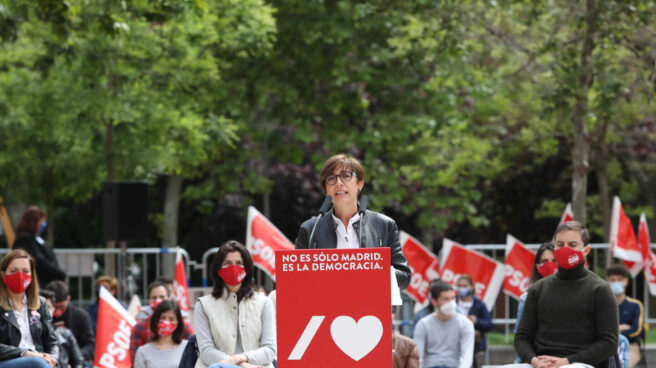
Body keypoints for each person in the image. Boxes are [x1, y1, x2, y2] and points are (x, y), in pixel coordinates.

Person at [295, 154, 412, 290]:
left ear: (360, 184)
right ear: (326, 189)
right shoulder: (310, 229)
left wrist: (373, 273)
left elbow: (404, 276)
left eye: (346, 176)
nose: (338, 183)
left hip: (370, 307)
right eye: (331, 178)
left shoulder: (384, 225)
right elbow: (297, 279)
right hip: (324, 307)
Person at [514, 221, 618, 368]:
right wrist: (535, 361)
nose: (565, 250)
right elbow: (522, 337)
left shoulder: (600, 290)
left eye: (572, 245)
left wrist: (566, 361)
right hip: (540, 364)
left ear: (586, 250)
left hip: (581, 364)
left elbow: (609, 343)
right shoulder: (538, 289)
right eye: (560, 244)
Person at [194, 240, 276, 368]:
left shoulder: (264, 302)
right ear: (218, 269)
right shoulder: (203, 305)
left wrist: (240, 358)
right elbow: (206, 351)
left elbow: (270, 350)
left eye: (239, 263)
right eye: (227, 263)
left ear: (247, 269)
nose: (233, 268)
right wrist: (242, 366)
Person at [0, 249, 59, 368]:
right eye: (13, 271)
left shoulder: (40, 303)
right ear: (3, 274)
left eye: (25, 271)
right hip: (8, 361)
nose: (20, 276)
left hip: (40, 361)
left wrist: (53, 359)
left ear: (32, 275)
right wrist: (26, 353)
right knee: (36, 363)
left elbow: (52, 342)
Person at [414, 280, 475, 368]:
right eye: (446, 299)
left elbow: (467, 356)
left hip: (455, 365)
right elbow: (418, 356)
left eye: (453, 298)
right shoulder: (423, 324)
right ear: (434, 302)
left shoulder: (465, 324)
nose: (451, 303)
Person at [130, 281, 194, 363]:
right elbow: (135, 360)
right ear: (148, 300)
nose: (158, 300)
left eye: (162, 297)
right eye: (154, 297)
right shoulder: (139, 328)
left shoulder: (184, 326)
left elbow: (193, 356)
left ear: (169, 298)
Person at [12, 206, 66, 287]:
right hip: (39, 285)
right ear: (34, 222)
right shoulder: (25, 239)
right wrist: (60, 274)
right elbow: (39, 261)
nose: (43, 224)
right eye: (42, 221)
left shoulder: (34, 238)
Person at [44, 280, 95, 364]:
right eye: (53, 307)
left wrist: (75, 357)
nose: (57, 311)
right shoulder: (39, 317)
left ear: (68, 299)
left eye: (61, 307)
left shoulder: (81, 316)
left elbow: (90, 346)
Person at [513, 242, 557, 337]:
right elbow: (521, 337)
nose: (550, 265)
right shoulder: (527, 299)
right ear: (538, 266)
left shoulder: (574, 294)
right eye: (545, 261)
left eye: (554, 260)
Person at [606, 264, 643, 368]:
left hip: (631, 347)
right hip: (606, 347)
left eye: (619, 279)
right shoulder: (602, 304)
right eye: (613, 279)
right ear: (607, 282)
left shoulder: (635, 305)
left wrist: (613, 330)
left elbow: (636, 331)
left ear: (626, 281)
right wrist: (622, 327)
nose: (616, 282)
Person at [134, 300, 188, 368]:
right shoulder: (142, 352)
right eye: (163, 318)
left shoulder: (187, 348)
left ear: (177, 323)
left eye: (171, 319)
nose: (166, 322)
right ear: (155, 320)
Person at [455, 274, 493, 368]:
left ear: (472, 287)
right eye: (459, 286)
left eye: (464, 286)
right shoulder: (452, 302)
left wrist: (477, 321)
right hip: (455, 344)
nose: (461, 289)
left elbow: (489, 325)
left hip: (473, 345)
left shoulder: (479, 304)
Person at [40, 289, 85, 368]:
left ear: (54, 309)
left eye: (48, 307)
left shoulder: (65, 334)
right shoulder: (26, 337)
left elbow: (79, 361)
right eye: (40, 307)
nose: (43, 311)